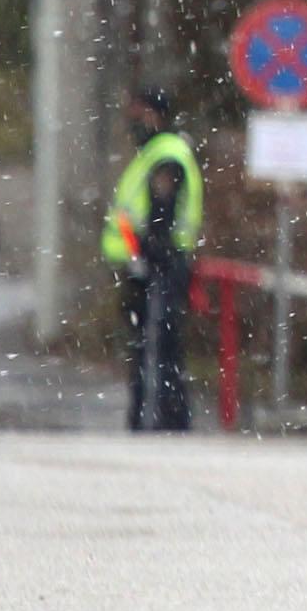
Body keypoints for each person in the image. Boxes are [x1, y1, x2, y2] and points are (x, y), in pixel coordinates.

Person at [101, 87, 204, 431]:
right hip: (151, 266)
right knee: (154, 348)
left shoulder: (166, 156)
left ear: (155, 115)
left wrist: (148, 256)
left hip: (161, 268)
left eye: (138, 113)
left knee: (157, 349)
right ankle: (160, 419)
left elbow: (161, 217)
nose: (132, 121)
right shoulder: (153, 154)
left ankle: (159, 422)